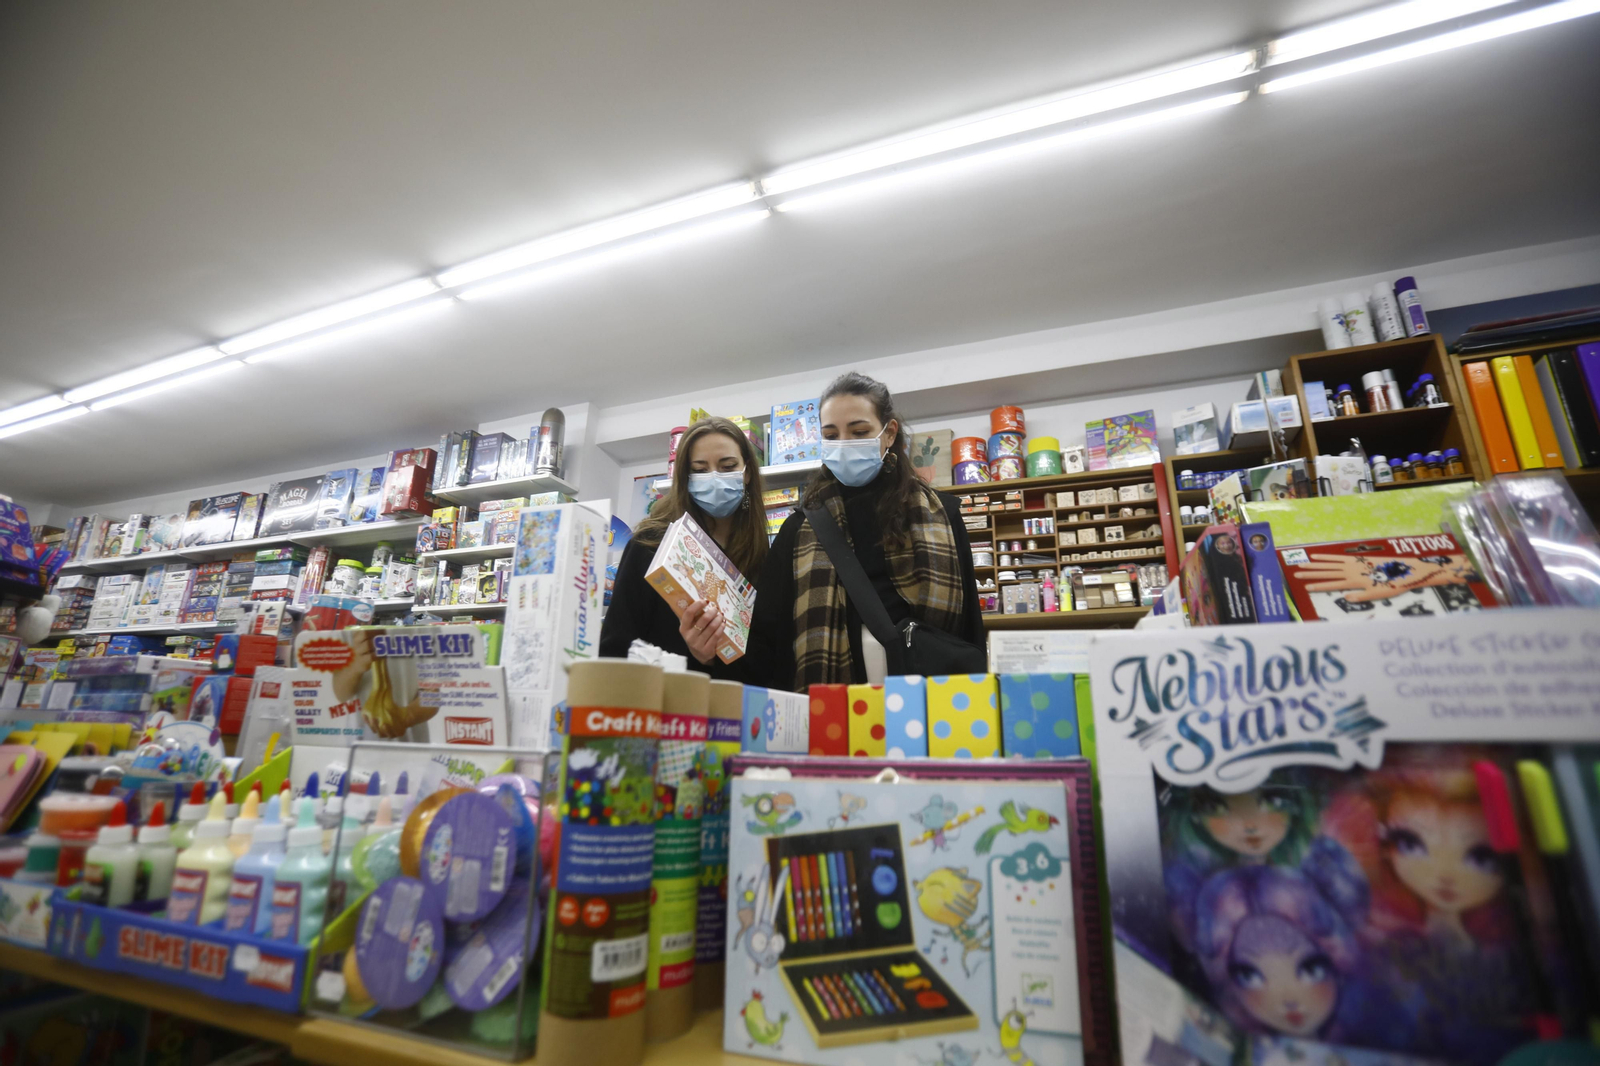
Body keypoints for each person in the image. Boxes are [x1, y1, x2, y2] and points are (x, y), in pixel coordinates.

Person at [745, 371, 984, 690]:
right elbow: (769, 638)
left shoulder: (943, 514)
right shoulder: (798, 528)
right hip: (833, 712)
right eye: (831, 436)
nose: (843, 444)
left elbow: (968, 628)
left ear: (889, 433)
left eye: (859, 432)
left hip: (931, 705)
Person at [599, 416, 768, 676]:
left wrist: (712, 658)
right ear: (685, 478)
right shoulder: (649, 545)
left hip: (737, 706)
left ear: (746, 473)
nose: (714, 478)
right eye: (700, 470)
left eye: (728, 466)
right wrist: (690, 653)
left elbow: (768, 655)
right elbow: (615, 648)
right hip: (662, 705)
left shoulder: (762, 554)